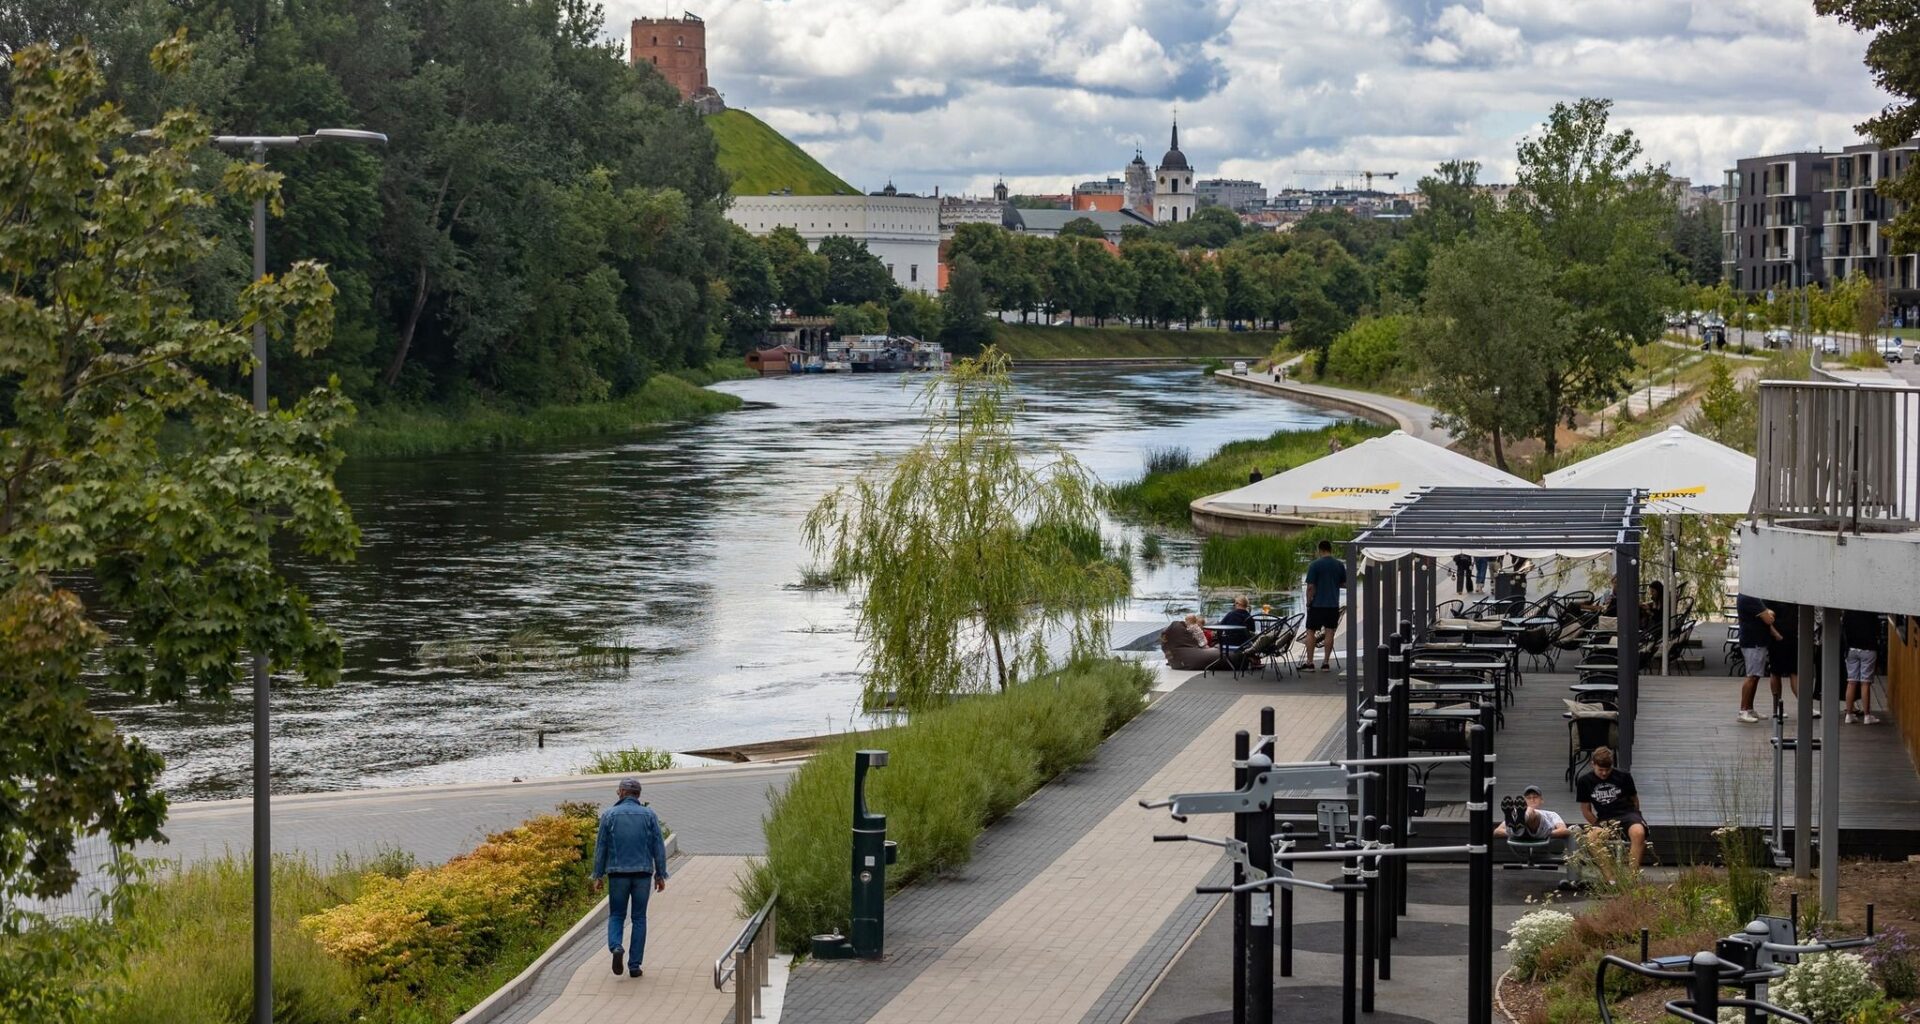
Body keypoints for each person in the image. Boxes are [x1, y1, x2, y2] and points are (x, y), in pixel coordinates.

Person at [593, 777, 670, 978]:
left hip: (617, 874)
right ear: (638, 794)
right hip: (643, 874)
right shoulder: (649, 815)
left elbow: (601, 847)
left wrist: (598, 875)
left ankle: (616, 946)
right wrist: (660, 874)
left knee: (617, 915)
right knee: (639, 918)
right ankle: (634, 965)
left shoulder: (609, 815)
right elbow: (658, 847)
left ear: (622, 792)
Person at [1576, 747, 1648, 875]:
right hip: (1605, 818)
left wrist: (1636, 816)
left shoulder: (1624, 776)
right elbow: (1586, 810)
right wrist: (1598, 824)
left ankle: (1632, 877)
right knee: (1591, 837)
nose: (1604, 773)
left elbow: (1635, 800)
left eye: (1607, 770)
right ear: (1593, 765)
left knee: (1638, 833)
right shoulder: (1584, 781)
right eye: (1600, 770)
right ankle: (1611, 879)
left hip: (1628, 814)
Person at [1735, 592, 1785, 723]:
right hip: (1753, 641)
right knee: (1751, 676)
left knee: (1756, 676)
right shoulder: (1750, 597)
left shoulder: (1749, 596)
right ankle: (1743, 710)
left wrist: (1767, 612)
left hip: (1757, 640)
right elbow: (1769, 619)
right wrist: (1768, 613)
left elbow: (1766, 614)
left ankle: (1749, 708)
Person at [1301, 540, 1347, 671]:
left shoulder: (1315, 565)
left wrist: (1308, 602)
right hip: (1332, 605)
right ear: (1330, 550)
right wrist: (1333, 584)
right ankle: (1326, 663)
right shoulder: (1339, 565)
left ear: (1320, 550)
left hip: (1317, 605)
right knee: (1329, 633)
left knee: (1310, 632)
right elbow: (1345, 584)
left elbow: (1310, 587)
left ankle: (1310, 662)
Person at [1841, 608, 1884, 724]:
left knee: (1851, 682)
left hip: (1851, 649)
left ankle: (1849, 714)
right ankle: (1867, 716)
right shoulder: (1870, 610)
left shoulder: (1848, 611)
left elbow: (1844, 626)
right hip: (1868, 649)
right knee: (1865, 683)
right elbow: (1877, 629)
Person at [1495, 784, 1571, 842]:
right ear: (1524, 801)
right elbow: (1497, 831)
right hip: (1519, 833)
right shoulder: (1516, 813)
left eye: (1535, 797)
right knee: (1518, 815)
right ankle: (1519, 826)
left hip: (1541, 831)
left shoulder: (1551, 814)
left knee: (1533, 812)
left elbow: (1564, 831)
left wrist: (1547, 834)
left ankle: (1522, 821)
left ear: (1541, 800)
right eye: (1528, 798)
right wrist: (1514, 834)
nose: (1532, 800)